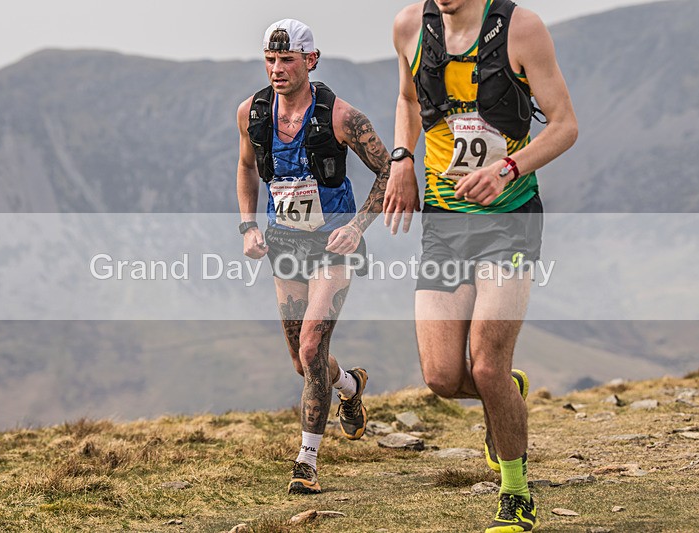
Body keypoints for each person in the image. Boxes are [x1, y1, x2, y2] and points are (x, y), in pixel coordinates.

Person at [386, 0, 578, 531]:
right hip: (444, 224)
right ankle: (505, 395)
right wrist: (402, 159)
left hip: (508, 220)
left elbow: (565, 125)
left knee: (488, 364)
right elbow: (408, 99)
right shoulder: (409, 27)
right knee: (442, 377)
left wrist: (507, 169)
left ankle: (515, 494)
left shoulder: (521, 28)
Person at [236, 19, 391, 495]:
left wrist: (356, 227)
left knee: (310, 348)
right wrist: (248, 226)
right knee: (303, 363)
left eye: (287, 59)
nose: (277, 69)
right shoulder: (252, 113)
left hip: (332, 246)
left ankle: (306, 463)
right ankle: (350, 386)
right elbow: (245, 167)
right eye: (270, 59)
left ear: (311, 60)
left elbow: (389, 172)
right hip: (284, 244)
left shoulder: (342, 117)